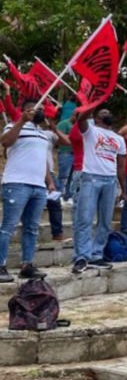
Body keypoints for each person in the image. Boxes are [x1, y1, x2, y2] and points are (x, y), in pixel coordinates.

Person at [0, 102, 56, 282]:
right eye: (36, 109)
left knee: (31, 228)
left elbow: (43, 159)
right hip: (17, 183)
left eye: (41, 110)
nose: (40, 112)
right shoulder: (13, 125)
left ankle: (27, 265)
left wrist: (49, 181)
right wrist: (21, 121)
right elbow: (5, 142)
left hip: (38, 186)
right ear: (26, 111)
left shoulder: (42, 133)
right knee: (8, 227)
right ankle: (1, 265)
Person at [71, 108, 127, 274]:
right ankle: (82, 256)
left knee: (105, 221)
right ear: (95, 117)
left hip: (110, 181)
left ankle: (96, 255)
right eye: (102, 112)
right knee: (85, 218)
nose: (106, 113)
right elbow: (80, 120)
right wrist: (93, 104)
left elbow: (122, 166)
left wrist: (124, 189)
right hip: (90, 178)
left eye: (107, 112)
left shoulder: (119, 139)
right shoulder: (90, 130)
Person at [56, 115, 75, 203]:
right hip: (65, 152)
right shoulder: (64, 124)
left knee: (72, 176)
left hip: (76, 154)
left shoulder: (78, 125)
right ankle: (59, 195)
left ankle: (68, 195)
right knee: (63, 175)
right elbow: (58, 138)